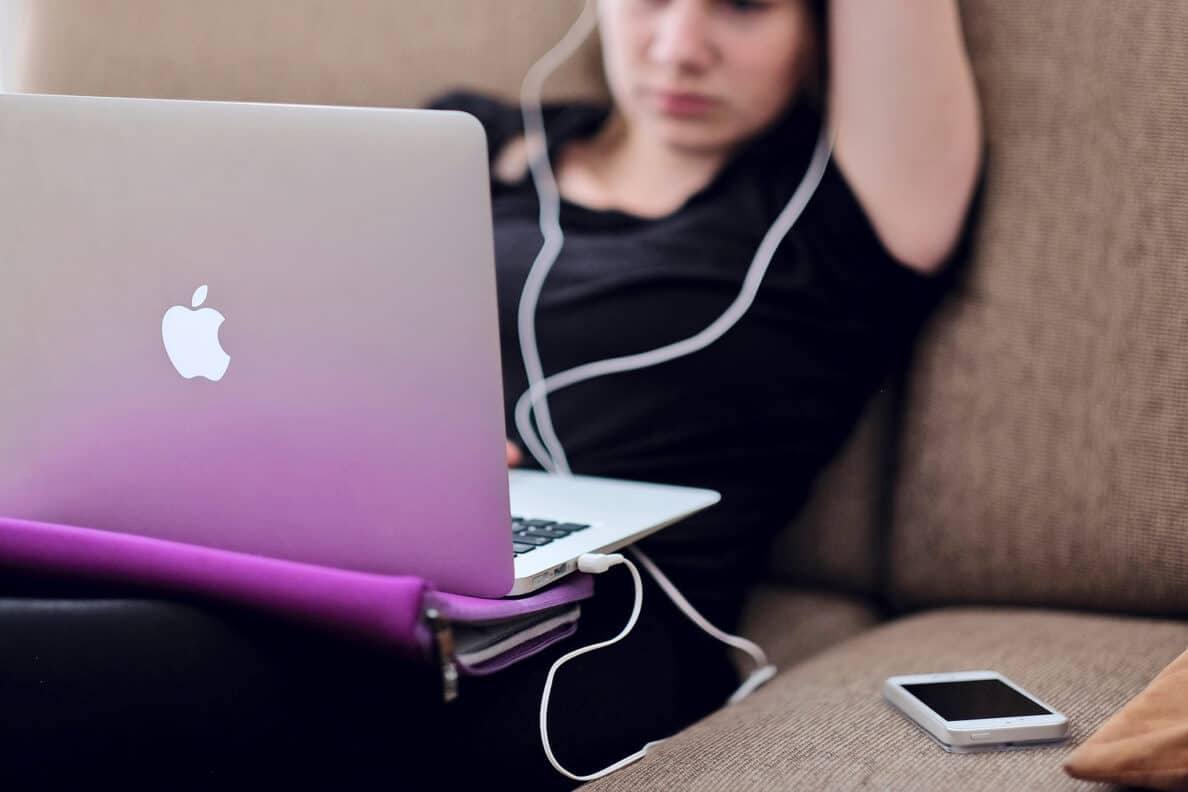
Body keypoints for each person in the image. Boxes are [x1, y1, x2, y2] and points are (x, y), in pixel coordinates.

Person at [382, 0, 984, 788]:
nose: (679, 48)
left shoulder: (841, 211)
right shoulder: (469, 139)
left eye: (742, 6)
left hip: (597, 624)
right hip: (371, 546)